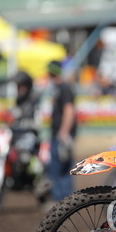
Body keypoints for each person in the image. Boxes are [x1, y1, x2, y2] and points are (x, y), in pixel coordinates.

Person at [47, 61, 77, 202]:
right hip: (59, 133)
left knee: (60, 167)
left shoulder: (63, 88)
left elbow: (69, 110)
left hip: (61, 135)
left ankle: (62, 199)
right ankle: (63, 199)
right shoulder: (59, 88)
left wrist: (64, 132)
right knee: (60, 167)